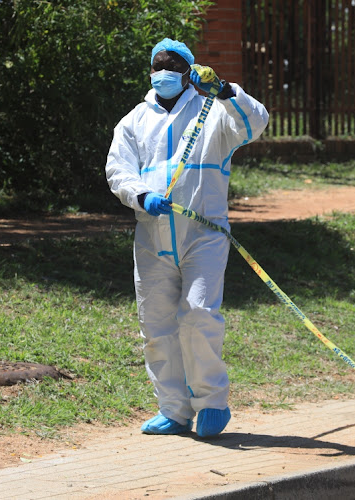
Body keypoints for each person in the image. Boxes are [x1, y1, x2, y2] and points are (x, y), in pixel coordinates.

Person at [105, 38, 269, 437]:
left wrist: (227, 92)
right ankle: (174, 410)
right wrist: (142, 196)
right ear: (150, 72)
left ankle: (212, 403)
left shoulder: (213, 111)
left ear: (188, 72)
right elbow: (118, 170)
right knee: (156, 324)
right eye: (158, 65)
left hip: (204, 233)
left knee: (198, 314)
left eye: (172, 66)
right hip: (152, 233)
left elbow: (255, 123)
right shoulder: (133, 121)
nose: (164, 72)